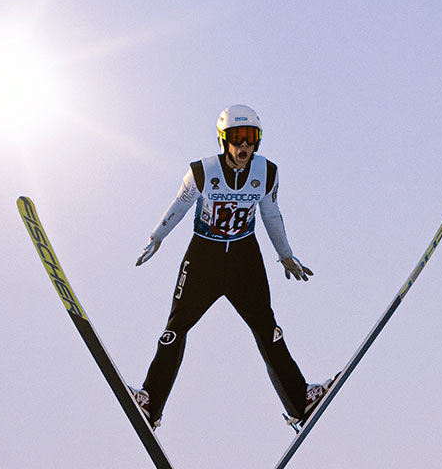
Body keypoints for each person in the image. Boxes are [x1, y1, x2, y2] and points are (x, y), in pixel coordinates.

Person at [129, 104, 333, 430]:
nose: (244, 147)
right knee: (175, 328)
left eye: (250, 139)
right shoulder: (202, 171)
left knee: (268, 328)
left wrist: (285, 254)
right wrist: (157, 237)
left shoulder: (265, 173)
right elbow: (180, 206)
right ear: (223, 141)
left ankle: (300, 400)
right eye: (237, 139)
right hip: (204, 257)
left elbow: (271, 215)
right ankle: (150, 403)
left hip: (243, 258)